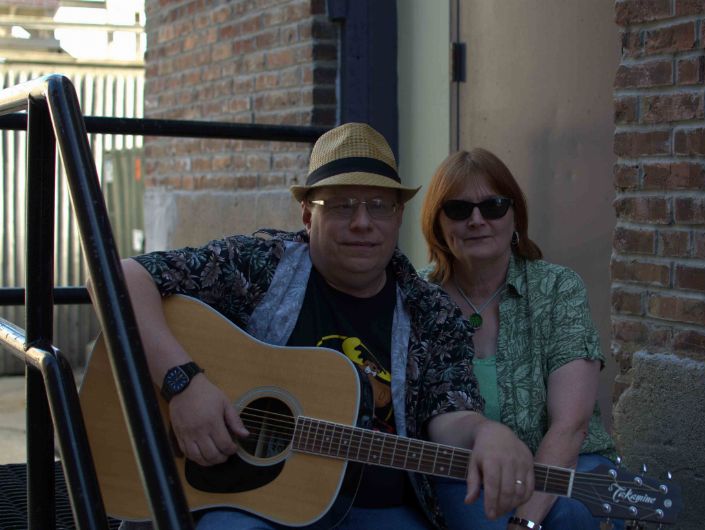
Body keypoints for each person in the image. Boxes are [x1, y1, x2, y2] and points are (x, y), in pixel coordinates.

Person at [105, 124, 535, 530]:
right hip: (249, 503)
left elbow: (449, 415)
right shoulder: (261, 267)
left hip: (375, 510)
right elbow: (117, 277)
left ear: (398, 216)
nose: (362, 222)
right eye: (341, 205)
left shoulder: (430, 311)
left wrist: (485, 432)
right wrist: (183, 384)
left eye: (378, 205)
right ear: (308, 216)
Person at [419, 148, 619, 530]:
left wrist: (524, 522)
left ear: (515, 215)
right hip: (462, 473)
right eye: (459, 209)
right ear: (437, 223)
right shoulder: (418, 296)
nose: (477, 220)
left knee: (569, 515)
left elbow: (570, 426)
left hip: (568, 463)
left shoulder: (557, 288)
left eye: (493, 206)